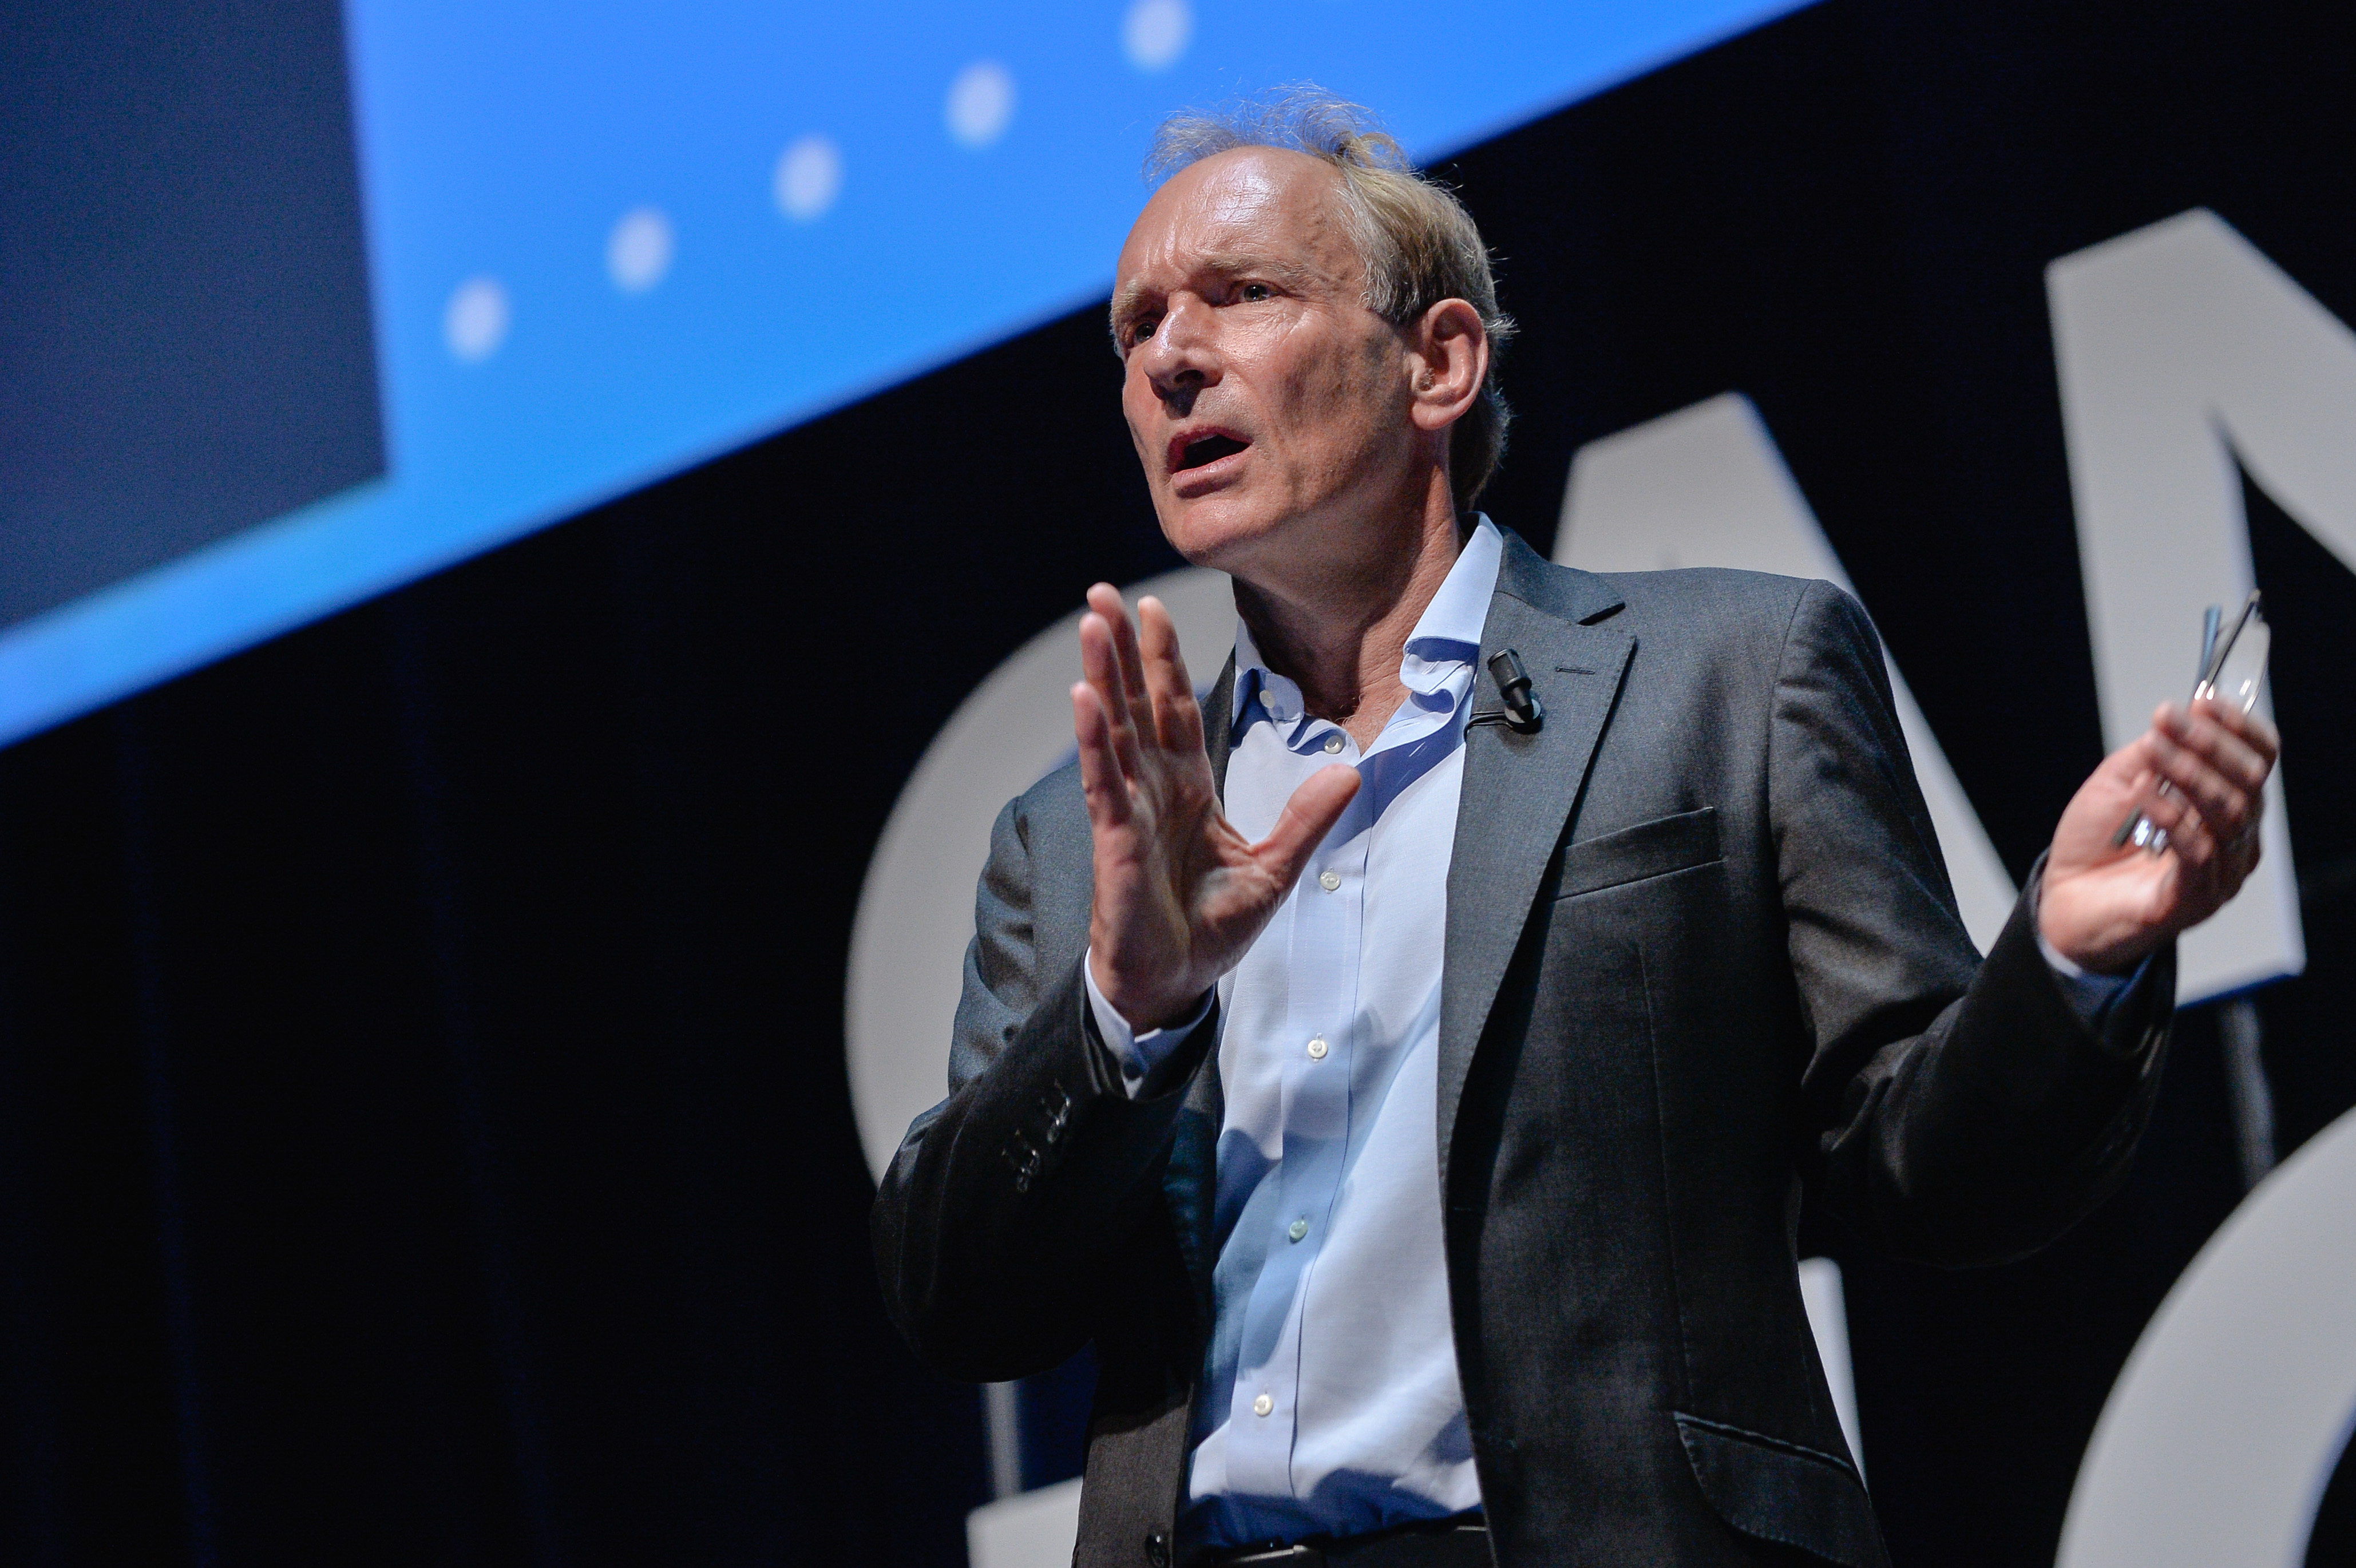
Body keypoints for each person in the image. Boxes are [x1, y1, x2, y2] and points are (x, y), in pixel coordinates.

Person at [872, 91, 2277, 1568]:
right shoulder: (1077, 842)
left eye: (1245, 294)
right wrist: (1126, 1012)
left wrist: (2066, 962)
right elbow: (960, 1302)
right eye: (1137, 327)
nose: (1170, 357)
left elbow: (1932, 1171)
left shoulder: (1730, 676)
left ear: (1438, 362)